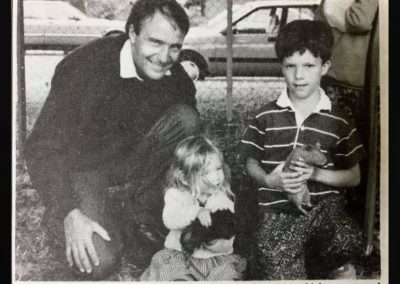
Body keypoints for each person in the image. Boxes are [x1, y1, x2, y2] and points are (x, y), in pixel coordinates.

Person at [23, 0, 201, 280]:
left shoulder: (175, 77)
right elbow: (41, 147)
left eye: (174, 46)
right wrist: (67, 210)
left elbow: (194, 147)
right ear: (132, 33)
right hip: (83, 169)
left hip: (132, 163)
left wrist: (210, 186)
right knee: (98, 261)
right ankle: (67, 218)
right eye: (155, 42)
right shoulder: (83, 67)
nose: (165, 56)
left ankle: (141, 212)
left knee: (186, 119)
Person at [239, 20, 366, 280]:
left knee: (348, 239)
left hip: (322, 211)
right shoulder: (266, 116)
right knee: (273, 254)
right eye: (290, 66)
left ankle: (319, 258)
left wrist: (316, 175)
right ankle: (300, 261)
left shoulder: (338, 120)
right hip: (277, 213)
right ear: (281, 67)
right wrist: (268, 179)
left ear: (325, 67)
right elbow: (250, 162)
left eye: (309, 66)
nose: (299, 76)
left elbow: (354, 176)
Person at [140, 136, 247, 281]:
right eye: (205, 173)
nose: (216, 177)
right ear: (184, 178)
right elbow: (169, 218)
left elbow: (228, 238)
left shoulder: (222, 199)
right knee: (170, 269)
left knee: (227, 274)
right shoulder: (176, 194)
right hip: (180, 256)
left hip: (215, 260)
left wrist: (214, 241)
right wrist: (195, 212)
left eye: (218, 168)